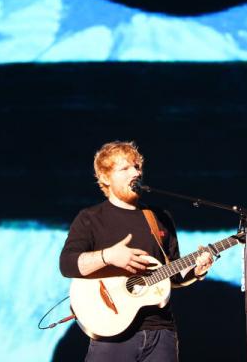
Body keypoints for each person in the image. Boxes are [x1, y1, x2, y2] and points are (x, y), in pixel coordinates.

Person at [60, 141, 214, 361]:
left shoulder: (159, 218)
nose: (135, 173)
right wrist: (108, 256)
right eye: (124, 169)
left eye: (137, 167)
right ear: (105, 178)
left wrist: (196, 272)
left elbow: (171, 275)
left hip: (161, 334)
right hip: (112, 335)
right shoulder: (90, 218)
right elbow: (67, 264)